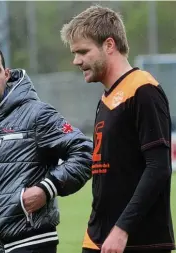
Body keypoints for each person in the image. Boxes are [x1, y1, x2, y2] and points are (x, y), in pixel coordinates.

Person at [0, 40, 93, 253]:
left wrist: (46, 189)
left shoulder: (36, 114)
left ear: (6, 74)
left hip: (31, 245)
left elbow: (85, 152)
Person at [60, 5, 175, 253]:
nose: (76, 60)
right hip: (98, 238)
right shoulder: (106, 99)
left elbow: (159, 168)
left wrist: (122, 229)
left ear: (109, 45)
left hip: (136, 242)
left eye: (83, 51)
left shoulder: (143, 90)